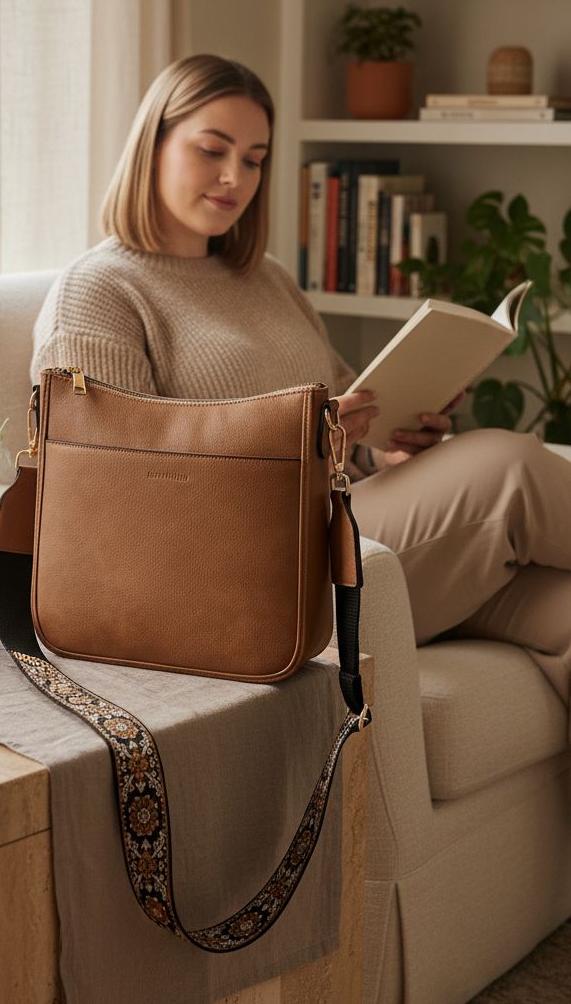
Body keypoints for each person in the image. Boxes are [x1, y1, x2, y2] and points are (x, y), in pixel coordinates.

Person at [31, 54, 571, 728]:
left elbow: (347, 419)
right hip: (246, 566)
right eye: (212, 150)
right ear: (154, 144)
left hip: (341, 528)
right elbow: (118, 500)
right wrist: (297, 436)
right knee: (508, 465)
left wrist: (385, 447)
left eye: (254, 159)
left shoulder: (268, 280)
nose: (235, 178)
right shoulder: (98, 291)